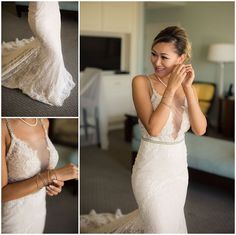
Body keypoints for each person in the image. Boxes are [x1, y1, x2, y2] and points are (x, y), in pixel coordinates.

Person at [81, 26, 207, 233]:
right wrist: (171, 88)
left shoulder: (188, 87)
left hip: (177, 169)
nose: (156, 62)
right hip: (150, 169)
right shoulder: (141, 82)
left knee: (172, 222)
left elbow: (200, 129)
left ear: (181, 59)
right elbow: (154, 128)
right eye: (153, 54)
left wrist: (187, 89)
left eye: (164, 57)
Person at [2, 118, 78, 233]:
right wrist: (52, 175)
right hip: (13, 217)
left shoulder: (43, 121)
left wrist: (54, 182)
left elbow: (42, 170)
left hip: (39, 209)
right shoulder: (3, 127)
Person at [2, 2, 75, 106]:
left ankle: (50, 80)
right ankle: (47, 86)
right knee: (54, 53)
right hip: (40, 14)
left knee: (55, 48)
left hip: (53, 9)